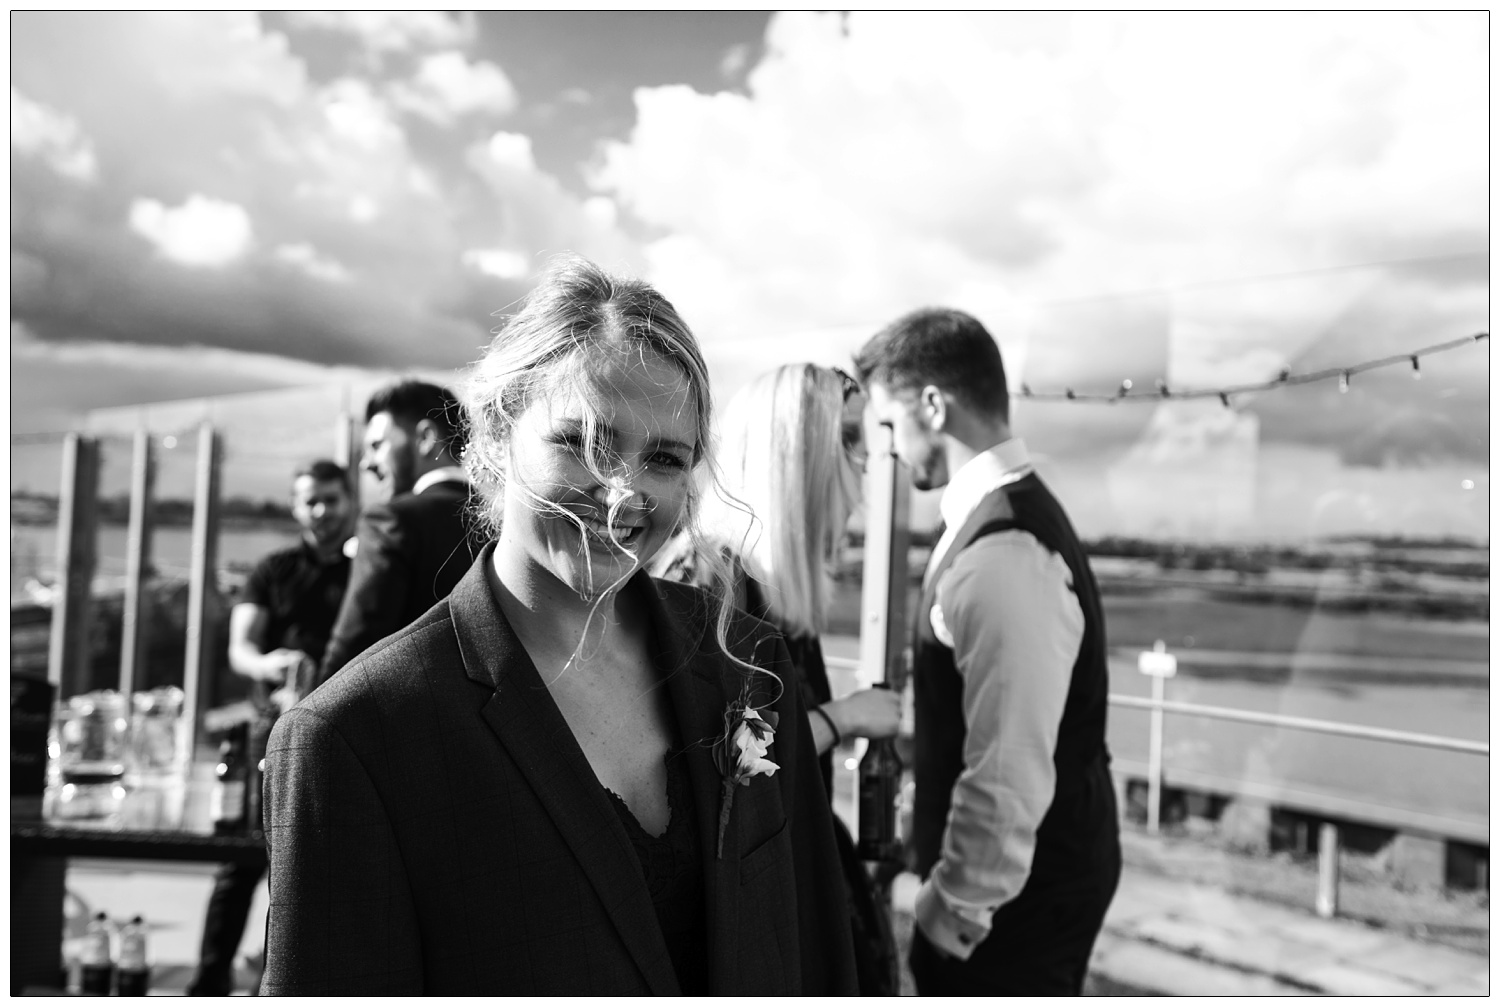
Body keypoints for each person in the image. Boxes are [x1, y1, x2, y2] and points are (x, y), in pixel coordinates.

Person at [261, 255, 859, 995]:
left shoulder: (744, 659)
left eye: (664, 459)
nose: (624, 496)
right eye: (582, 443)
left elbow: (809, 939)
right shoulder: (357, 737)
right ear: (493, 436)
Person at [855, 308, 1121, 996]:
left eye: (889, 422)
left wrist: (952, 915)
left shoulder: (1005, 548)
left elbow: (1007, 769)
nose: (886, 447)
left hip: (1016, 904)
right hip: (1035, 884)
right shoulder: (993, 520)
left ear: (934, 405)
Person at [651, 362, 904, 992]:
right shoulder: (709, 581)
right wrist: (842, 720)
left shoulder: (764, 585)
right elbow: (725, 768)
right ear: (793, 456)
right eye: (846, 440)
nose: (864, 465)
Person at [187, 460, 354, 996]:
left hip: (342, 727)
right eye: (311, 500)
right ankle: (208, 983)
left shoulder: (367, 568)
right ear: (295, 506)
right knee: (239, 862)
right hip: (269, 728)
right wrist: (270, 666)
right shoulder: (273, 568)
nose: (321, 510)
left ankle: (279, 982)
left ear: (349, 499)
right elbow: (241, 649)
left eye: (331, 498)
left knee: (311, 866)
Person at [311, 379, 484, 692]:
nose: (367, 464)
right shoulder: (502, 520)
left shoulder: (391, 519)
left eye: (377, 445)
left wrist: (304, 716)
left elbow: (355, 644)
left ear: (425, 437)